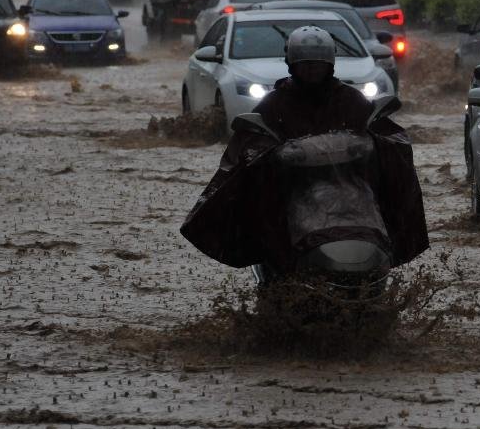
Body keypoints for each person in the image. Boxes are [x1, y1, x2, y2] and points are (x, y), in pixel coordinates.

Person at [181, 26, 428, 271]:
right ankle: (277, 264)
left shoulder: (351, 100)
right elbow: (250, 144)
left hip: (352, 191)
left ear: (329, 64)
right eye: (305, 64)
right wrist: (271, 156)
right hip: (291, 191)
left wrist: (376, 144)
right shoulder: (275, 103)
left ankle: (380, 255)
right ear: (292, 65)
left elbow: (382, 133)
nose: (312, 70)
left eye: (318, 64)